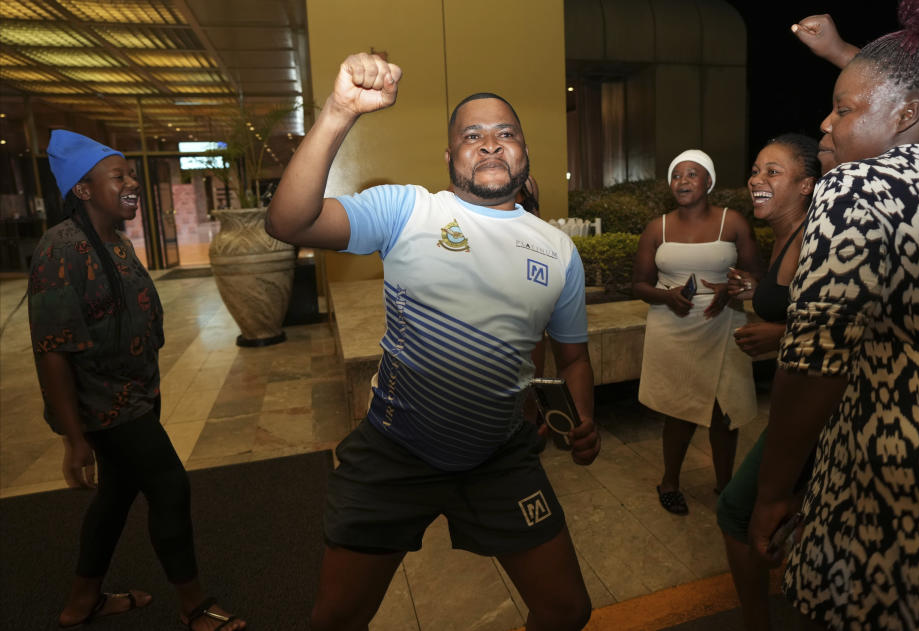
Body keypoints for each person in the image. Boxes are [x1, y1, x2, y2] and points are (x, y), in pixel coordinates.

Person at [266, 52, 601, 631]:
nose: (491, 144)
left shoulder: (558, 250)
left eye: (506, 133)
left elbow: (572, 356)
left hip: (500, 457)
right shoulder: (407, 210)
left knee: (567, 609)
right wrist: (340, 112)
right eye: (473, 136)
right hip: (396, 451)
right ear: (450, 157)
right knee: (336, 617)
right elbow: (288, 223)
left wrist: (582, 418)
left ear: (525, 151)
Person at [749, 0, 919, 627]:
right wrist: (846, 55)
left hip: (893, 478)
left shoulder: (859, 187)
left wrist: (774, 490)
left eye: (841, 110)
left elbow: (815, 364)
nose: (826, 124)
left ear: (904, 114)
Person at [29, 130, 245, 631]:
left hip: (137, 396)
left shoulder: (115, 241)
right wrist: (74, 441)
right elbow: (52, 352)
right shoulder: (60, 248)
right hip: (106, 404)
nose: (133, 183)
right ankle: (194, 608)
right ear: (82, 190)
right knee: (169, 486)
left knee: (117, 494)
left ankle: (82, 601)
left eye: (131, 174)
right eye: (118, 176)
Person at [716, 134, 821, 630]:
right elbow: (800, 302)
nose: (757, 179)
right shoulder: (784, 234)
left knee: (737, 509)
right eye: (756, 170)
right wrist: (758, 292)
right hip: (794, 404)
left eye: (773, 172)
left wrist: (780, 335)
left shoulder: (814, 236)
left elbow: (847, 323)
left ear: (806, 184)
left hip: (818, 410)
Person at [632, 149, 763, 515]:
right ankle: (669, 481)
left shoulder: (732, 222)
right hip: (672, 326)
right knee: (679, 410)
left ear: (708, 182)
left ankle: (725, 485)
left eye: (692, 175)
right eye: (677, 175)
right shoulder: (656, 227)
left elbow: (757, 275)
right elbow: (639, 285)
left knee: (725, 411)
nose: (683, 181)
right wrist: (666, 296)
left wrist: (730, 288)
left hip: (723, 323)